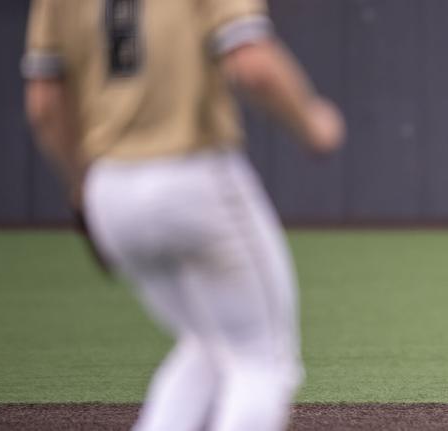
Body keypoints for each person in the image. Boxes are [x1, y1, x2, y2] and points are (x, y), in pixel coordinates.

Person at [22, 0, 344, 429]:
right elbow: (253, 64)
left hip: (107, 185)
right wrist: (312, 122)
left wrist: (84, 190)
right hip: (194, 171)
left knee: (207, 346)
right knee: (262, 359)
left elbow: (44, 103)